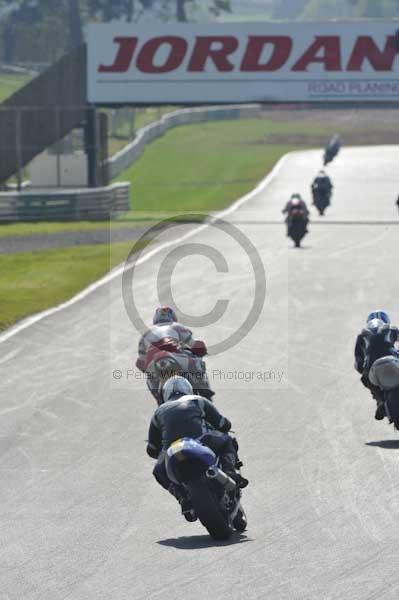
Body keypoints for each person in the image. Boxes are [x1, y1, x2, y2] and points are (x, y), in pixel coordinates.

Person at [146, 376, 248, 521]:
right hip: (201, 440)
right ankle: (230, 471)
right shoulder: (198, 400)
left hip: (172, 449)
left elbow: (152, 447)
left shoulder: (158, 412)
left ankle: (183, 498)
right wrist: (224, 425)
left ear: (165, 394)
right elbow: (222, 424)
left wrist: (160, 451)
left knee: (158, 471)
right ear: (188, 388)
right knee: (227, 441)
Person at [136, 306, 214, 402]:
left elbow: (140, 363)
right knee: (198, 363)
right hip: (175, 356)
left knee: (150, 379)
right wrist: (201, 350)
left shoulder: (146, 333)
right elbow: (194, 345)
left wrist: (148, 370)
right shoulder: (176, 326)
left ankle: (160, 401)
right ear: (172, 316)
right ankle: (206, 395)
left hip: (154, 365)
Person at [354, 311, 399, 420]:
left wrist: (365, 372)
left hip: (373, 368)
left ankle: (380, 401)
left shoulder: (362, 336)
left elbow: (358, 364)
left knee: (365, 379)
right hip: (393, 361)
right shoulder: (391, 329)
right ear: (386, 321)